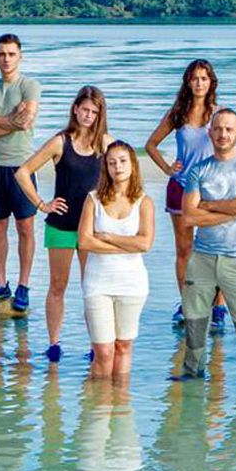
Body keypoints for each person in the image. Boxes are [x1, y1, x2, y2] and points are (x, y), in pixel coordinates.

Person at [174, 109, 236, 387]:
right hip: (202, 258)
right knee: (194, 328)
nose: (223, 134)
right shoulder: (198, 170)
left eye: (229, 129)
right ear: (210, 133)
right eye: (218, 129)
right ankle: (192, 382)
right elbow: (189, 217)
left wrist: (208, 205)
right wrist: (235, 208)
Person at [16, 86, 113, 362]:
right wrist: (41, 204)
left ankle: (96, 345)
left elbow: (124, 174)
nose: (89, 116)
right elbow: (23, 172)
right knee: (58, 285)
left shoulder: (106, 144)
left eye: (94, 112)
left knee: (92, 289)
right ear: (75, 109)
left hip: (92, 229)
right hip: (61, 225)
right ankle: (54, 344)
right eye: (85, 110)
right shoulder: (60, 142)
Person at [144, 59, 224, 326]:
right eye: (194, 78)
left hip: (212, 190)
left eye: (204, 78)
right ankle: (187, 303)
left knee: (216, 248)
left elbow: (231, 147)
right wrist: (168, 167)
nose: (199, 83)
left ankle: (218, 306)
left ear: (211, 82)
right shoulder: (178, 113)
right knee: (184, 249)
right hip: (181, 187)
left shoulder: (219, 114)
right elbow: (151, 144)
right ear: (188, 82)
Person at [77, 141, 155, 379]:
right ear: (106, 168)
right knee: (103, 351)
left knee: (123, 346)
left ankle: (120, 400)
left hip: (132, 284)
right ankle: (100, 400)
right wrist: (126, 245)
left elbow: (145, 244)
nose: (117, 167)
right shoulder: (93, 199)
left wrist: (109, 238)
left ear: (132, 165)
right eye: (111, 163)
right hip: (97, 283)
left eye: (122, 161)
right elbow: (85, 241)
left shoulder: (144, 202)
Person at [0, 33, 41, 314]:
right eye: (2, 54)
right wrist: (8, 119)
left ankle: (24, 285)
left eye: (11, 54)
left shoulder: (29, 86)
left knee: (25, 227)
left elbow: (25, 121)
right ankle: (1, 283)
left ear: (20, 56)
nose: (6, 59)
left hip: (22, 166)